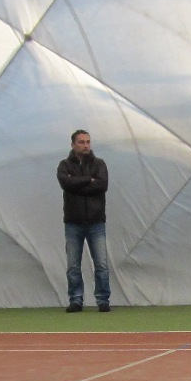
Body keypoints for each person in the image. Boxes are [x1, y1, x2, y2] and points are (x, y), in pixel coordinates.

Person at [57, 129, 111, 313]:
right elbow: (66, 184)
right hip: (73, 222)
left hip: (96, 222)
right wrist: (88, 180)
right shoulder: (64, 165)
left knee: (101, 264)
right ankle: (76, 299)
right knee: (73, 265)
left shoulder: (99, 164)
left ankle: (103, 300)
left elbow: (102, 185)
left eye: (88, 142)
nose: (86, 145)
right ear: (73, 145)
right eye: (81, 142)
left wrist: (77, 183)